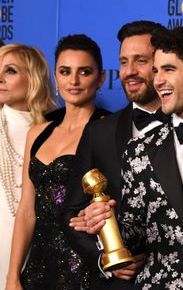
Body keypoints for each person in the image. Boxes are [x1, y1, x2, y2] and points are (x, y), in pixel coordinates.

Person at [85, 27, 183, 289]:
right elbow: (134, 233)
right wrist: (106, 222)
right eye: (156, 70)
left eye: (168, 69)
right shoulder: (139, 149)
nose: (157, 80)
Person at [60, 21, 167, 289]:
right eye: (123, 62)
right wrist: (106, 258)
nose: (129, 71)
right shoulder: (99, 133)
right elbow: (71, 212)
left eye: (140, 61)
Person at [5, 34, 109, 290]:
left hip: (84, 267)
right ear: (55, 77)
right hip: (38, 266)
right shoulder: (38, 132)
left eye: (84, 72)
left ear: (101, 78)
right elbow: (27, 211)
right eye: (65, 71)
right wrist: (13, 275)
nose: (73, 81)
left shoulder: (108, 130)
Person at [0, 44, 57, 288]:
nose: (0, 78)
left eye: (10, 71)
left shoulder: (57, 129)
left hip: (42, 253)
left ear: (33, 78)